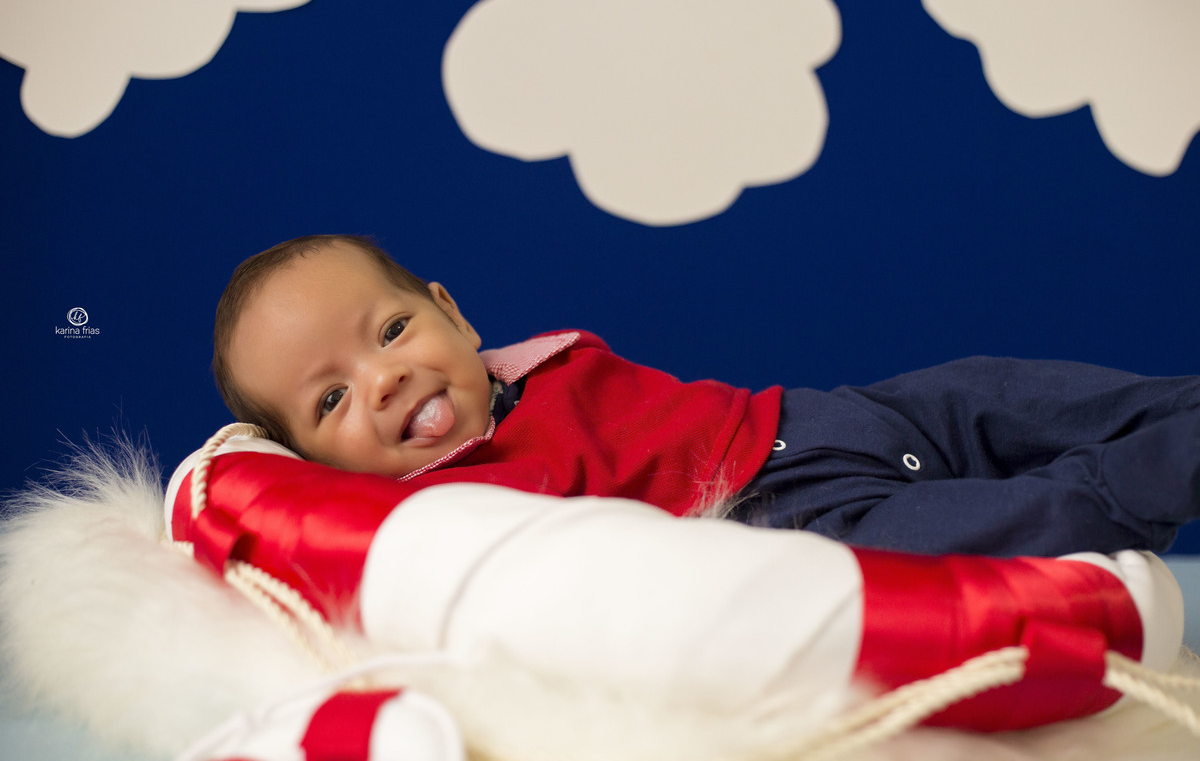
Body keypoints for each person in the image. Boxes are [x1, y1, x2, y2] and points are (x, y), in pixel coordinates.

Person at [212, 234, 1200, 557]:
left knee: (1012, 392)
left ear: (454, 314)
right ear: (313, 461)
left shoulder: (526, 366)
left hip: (826, 413)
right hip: (812, 521)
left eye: (391, 332)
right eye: (332, 400)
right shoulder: (442, 521)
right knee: (1070, 503)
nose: (384, 379)